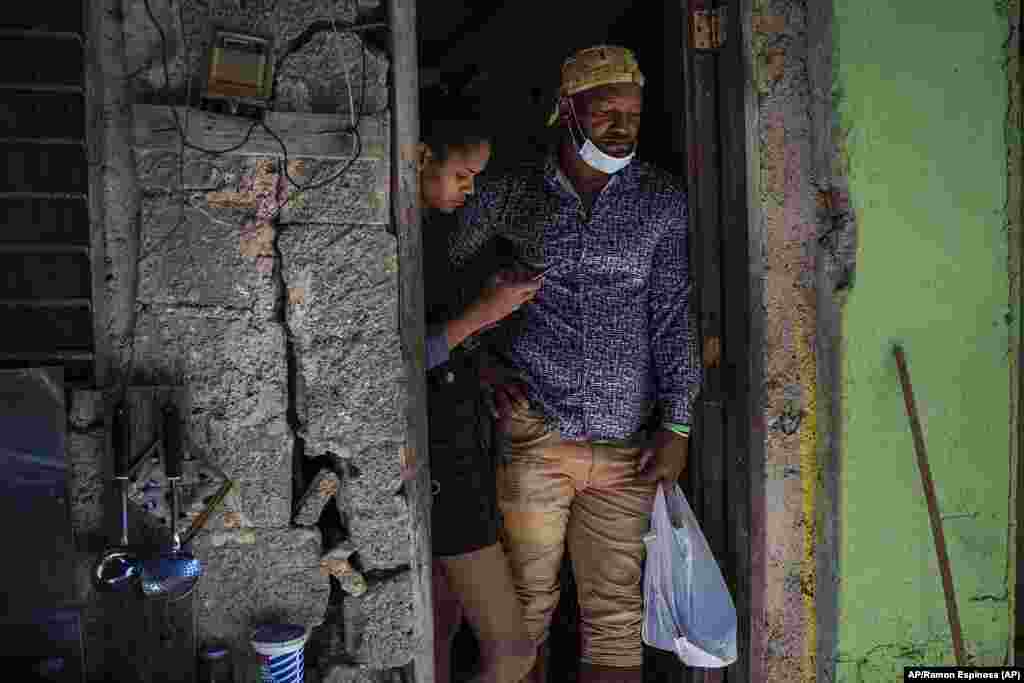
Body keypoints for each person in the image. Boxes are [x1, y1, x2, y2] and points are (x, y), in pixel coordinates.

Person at [450, 46, 703, 683]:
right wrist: (477, 360)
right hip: (538, 431)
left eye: (632, 115)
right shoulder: (513, 195)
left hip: (629, 445)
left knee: (616, 617)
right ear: (566, 111)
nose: (621, 127)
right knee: (524, 609)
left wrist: (677, 424)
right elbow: (443, 272)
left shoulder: (661, 203)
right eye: (604, 112)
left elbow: (675, 313)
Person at [418, 91, 540, 683]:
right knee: (513, 654)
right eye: (463, 175)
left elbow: (444, 337)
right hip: (441, 463)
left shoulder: (435, 238)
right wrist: (486, 313)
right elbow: (402, 355)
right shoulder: (396, 245)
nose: (469, 192)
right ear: (419, 158)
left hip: (460, 444)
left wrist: (483, 361)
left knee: (441, 631)